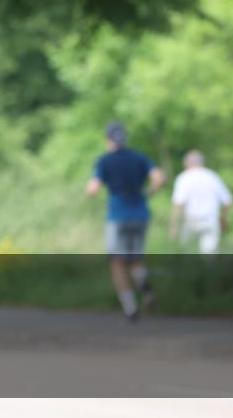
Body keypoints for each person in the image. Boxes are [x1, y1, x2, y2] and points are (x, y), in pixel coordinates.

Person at [86, 122, 165, 321]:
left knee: (118, 263)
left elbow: (92, 189)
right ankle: (145, 288)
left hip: (118, 216)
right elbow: (159, 178)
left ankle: (130, 308)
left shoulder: (105, 161)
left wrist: (92, 193)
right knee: (135, 260)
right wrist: (150, 192)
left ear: (108, 140)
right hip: (140, 213)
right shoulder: (139, 157)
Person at [169, 150, 233, 254]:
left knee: (186, 253)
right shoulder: (213, 176)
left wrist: (174, 226)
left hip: (190, 221)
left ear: (187, 163)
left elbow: (178, 204)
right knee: (209, 256)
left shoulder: (184, 177)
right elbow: (227, 201)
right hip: (211, 220)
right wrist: (223, 219)